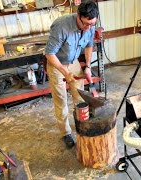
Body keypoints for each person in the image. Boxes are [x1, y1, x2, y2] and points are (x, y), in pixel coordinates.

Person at [44, 1, 99, 149]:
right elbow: (49, 54)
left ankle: (82, 124)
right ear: (78, 16)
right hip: (57, 64)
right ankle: (66, 133)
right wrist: (65, 72)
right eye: (86, 24)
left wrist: (87, 66)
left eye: (92, 24)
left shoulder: (90, 26)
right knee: (61, 99)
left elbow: (88, 45)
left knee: (79, 96)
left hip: (73, 61)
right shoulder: (61, 26)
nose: (88, 28)